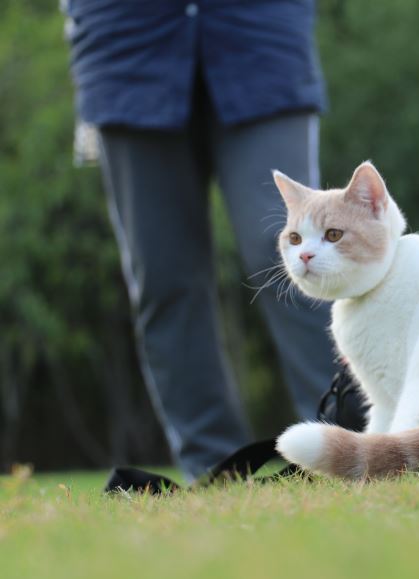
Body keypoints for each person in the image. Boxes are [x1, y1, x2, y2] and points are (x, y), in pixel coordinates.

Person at [63, 0, 337, 480]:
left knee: (299, 250)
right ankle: (214, 470)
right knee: (165, 276)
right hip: (127, 49)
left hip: (260, 37)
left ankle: (349, 439)